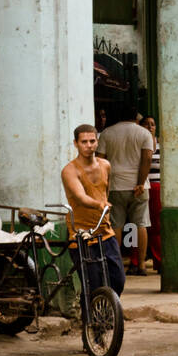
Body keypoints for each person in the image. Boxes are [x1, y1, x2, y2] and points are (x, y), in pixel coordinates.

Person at [61, 124, 125, 308]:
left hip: (105, 230)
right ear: (76, 144)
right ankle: (91, 324)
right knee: (93, 284)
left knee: (118, 279)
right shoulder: (70, 170)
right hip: (81, 234)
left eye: (92, 141)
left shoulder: (106, 165)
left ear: (97, 142)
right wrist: (100, 205)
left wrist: (103, 205)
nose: (89, 145)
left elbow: (106, 191)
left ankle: (106, 313)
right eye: (84, 142)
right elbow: (80, 198)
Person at [96, 109, 154, 274]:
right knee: (140, 224)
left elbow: (100, 160)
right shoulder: (144, 133)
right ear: (136, 117)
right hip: (139, 187)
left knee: (117, 225)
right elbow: (147, 158)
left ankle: (118, 264)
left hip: (115, 186)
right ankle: (141, 265)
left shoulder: (107, 133)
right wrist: (140, 183)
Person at [144, 115, 162, 275]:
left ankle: (159, 260)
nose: (150, 127)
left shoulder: (161, 145)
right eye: (147, 124)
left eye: (153, 124)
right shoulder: (140, 143)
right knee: (139, 225)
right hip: (143, 187)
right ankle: (137, 260)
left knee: (156, 226)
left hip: (156, 187)